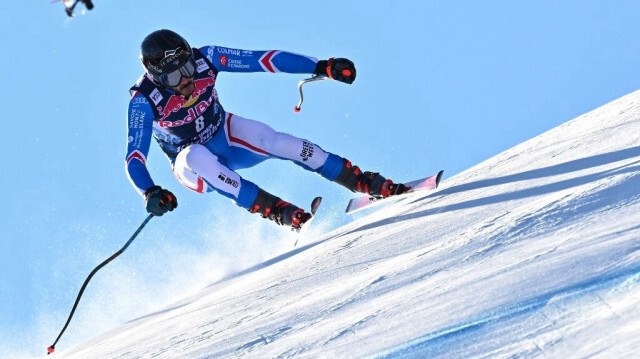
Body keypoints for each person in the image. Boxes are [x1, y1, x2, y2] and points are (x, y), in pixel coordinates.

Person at [126, 29, 408, 231]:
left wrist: (322, 65)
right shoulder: (143, 100)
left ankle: (363, 182)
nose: (186, 78)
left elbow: (263, 60)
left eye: (187, 67)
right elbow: (135, 156)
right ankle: (278, 211)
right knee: (196, 154)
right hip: (192, 167)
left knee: (277, 141)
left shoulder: (206, 58)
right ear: (158, 78)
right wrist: (149, 192)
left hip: (223, 134)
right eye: (174, 76)